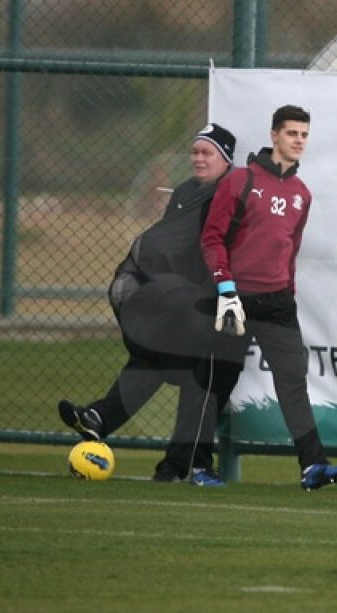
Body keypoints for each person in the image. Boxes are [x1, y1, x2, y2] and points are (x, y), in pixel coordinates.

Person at [58, 123, 240, 487]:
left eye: (207, 153)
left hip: (214, 300)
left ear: (226, 159)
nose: (197, 158)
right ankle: (162, 457)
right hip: (178, 297)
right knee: (156, 355)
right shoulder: (185, 192)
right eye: (194, 152)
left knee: (187, 369)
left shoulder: (231, 191)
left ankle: (167, 457)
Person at [199, 104, 337, 491]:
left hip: (279, 302)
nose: (298, 141)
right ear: (274, 136)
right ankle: (199, 465)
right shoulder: (240, 181)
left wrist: (288, 290)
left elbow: (291, 248)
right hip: (235, 299)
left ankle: (312, 467)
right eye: (291, 134)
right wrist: (225, 288)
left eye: (303, 135)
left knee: (293, 382)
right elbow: (212, 238)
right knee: (217, 382)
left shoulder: (302, 193)